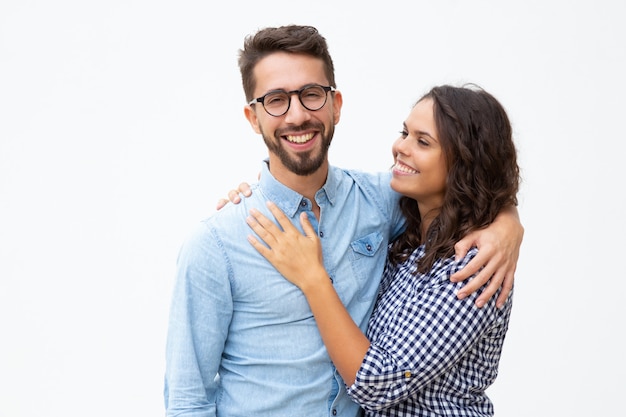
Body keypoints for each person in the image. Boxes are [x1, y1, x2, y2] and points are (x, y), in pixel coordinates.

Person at [164, 24, 524, 417]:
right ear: (253, 117)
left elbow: (470, 186)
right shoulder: (216, 243)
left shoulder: (384, 203)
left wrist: (508, 225)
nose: (297, 115)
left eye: (311, 95)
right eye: (276, 100)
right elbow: (187, 401)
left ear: (335, 104)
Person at [245, 84, 519, 416]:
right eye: (405, 132)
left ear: (465, 162)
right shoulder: (408, 238)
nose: (400, 147)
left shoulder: (473, 266)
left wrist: (313, 278)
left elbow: (378, 383)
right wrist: (256, 195)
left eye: (422, 141)